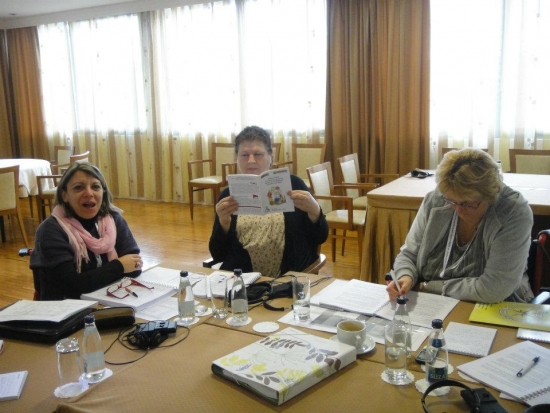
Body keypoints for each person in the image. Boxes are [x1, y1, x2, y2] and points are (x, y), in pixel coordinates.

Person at [387, 148, 534, 303]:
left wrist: (428, 287)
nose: (458, 210)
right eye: (451, 201)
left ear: (490, 195)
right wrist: (405, 276)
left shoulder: (513, 212)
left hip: (491, 305)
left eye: (467, 203)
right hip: (433, 301)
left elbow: (494, 288)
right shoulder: (437, 198)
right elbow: (409, 255)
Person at [209, 126, 329, 277]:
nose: (251, 160)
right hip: (242, 282)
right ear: (237, 159)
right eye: (244, 155)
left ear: (270, 156)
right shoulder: (228, 195)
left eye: (258, 154)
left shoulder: (293, 185)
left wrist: (315, 211)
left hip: (287, 281)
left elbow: (320, 236)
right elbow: (217, 255)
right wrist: (223, 224)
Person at [30, 162, 143, 300]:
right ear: (64, 195)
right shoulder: (50, 231)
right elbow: (72, 286)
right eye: (79, 188)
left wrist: (92, 280)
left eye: (95, 186)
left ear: (103, 191)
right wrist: (119, 266)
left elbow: (135, 266)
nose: (89, 193)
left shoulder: (113, 220)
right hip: (66, 310)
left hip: (111, 298)